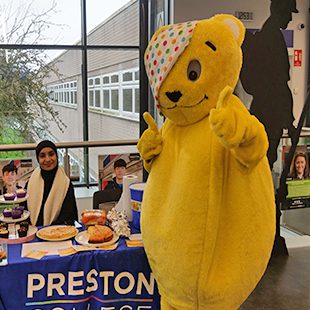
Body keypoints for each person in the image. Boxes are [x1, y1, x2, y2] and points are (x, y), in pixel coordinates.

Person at [240, 0, 298, 170]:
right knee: (264, 163)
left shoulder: (270, 35)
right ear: (279, 11)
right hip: (269, 115)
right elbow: (278, 86)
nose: (289, 18)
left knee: (265, 162)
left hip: (266, 113)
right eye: (288, 12)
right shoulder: (270, 39)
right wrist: (289, 122)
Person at [26, 140, 78, 226]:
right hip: (32, 232)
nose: (48, 159)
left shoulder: (66, 184)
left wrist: (49, 232)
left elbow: (69, 216)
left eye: (51, 154)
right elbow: (24, 213)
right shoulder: (30, 183)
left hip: (58, 233)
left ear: (57, 156)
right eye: (42, 156)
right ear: (38, 159)